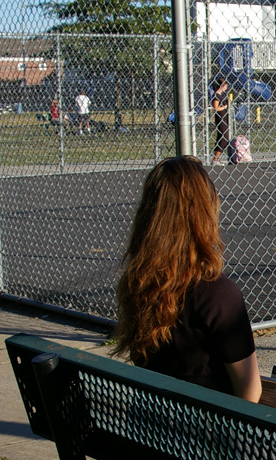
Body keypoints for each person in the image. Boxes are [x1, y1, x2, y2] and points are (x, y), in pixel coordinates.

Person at [112, 156, 261, 402]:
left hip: (150, 420)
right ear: (203, 213)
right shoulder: (217, 295)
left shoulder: (139, 285)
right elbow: (250, 391)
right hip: (206, 424)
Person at [210, 76, 230, 166]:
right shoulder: (216, 96)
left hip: (225, 118)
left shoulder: (221, 95)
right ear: (221, 86)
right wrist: (225, 107)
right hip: (220, 118)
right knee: (224, 137)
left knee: (223, 137)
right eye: (225, 86)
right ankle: (215, 159)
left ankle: (216, 158)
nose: (226, 88)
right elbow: (216, 108)